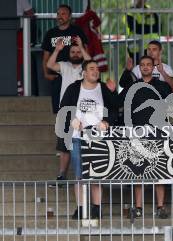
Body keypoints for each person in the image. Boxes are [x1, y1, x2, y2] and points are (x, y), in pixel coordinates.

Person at [58, 60, 118, 219]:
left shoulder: (103, 88)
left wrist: (107, 121)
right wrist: (72, 120)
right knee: (79, 174)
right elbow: (63, 109)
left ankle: (96, 208)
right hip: (78, 137)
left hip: (98, 138)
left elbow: (115, 109)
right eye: (92, 68)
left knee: (96, 174)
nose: (95, 71)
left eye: (97, 69)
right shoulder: (73, 88)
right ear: (84, 72)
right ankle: (80, 208)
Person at [119, 55, 172, 219]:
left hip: (158, 132)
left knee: (160, 171)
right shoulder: (132, 86)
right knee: (138, 170)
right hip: (137, 133)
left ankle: (161, 207)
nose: (146, 67)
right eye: (143, 65)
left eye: (149, 64)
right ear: (139, 68)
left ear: (153, 67)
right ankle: (139, 207)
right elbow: (116, 101)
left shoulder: (162, 86)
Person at [47, 37, 91, 183]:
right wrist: (58, 49)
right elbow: (49, 64)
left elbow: (91, 63)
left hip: (83, 113)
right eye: (73, 51)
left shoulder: (85, 69)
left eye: (78, 52)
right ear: (69, 53)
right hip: (66, 112)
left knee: (83, 144)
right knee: (64, 146)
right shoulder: (64, 65)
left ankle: (84, 175)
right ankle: (62, 175)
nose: (76, 54)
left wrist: (81, 47)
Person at [41, 4, 88, 114]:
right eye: (58, 14)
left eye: (63, 14)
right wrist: (46, 73)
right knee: (59, 107)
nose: (60, 16)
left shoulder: (77, 31)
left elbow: (86, 51)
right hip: (57, 72)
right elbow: (45, 57)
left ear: (70, 16)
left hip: (76, 72)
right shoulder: (50, 33)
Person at [125, 0, 159, 64]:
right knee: (138, 71)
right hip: (136, 49)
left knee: (152, 71)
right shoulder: (130, 12)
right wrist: (151, 28)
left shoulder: (150, 10)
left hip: (151, 47)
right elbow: (137, 29)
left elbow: (158, 27)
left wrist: (145, 28)